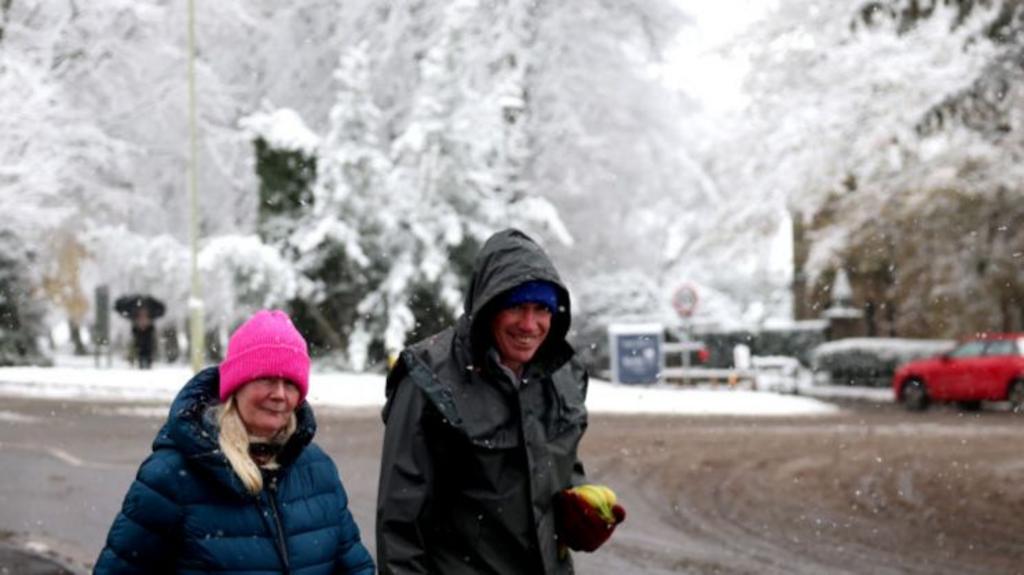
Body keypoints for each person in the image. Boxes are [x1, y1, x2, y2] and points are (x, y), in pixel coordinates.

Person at [376, 229, 625, 574]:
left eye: (541, 309)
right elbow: (399, 522)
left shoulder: (564, 374)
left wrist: (579, 502)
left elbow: (558, 465)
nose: (530, 325)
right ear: (489, 307)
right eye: (517, 308)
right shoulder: (428, 380)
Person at [95, 309, 374, 574]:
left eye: (290, 384)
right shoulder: (170, 476)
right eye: (266, 378)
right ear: (235, 387)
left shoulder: (318, 469)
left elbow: (355, 567)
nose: (279, 394)